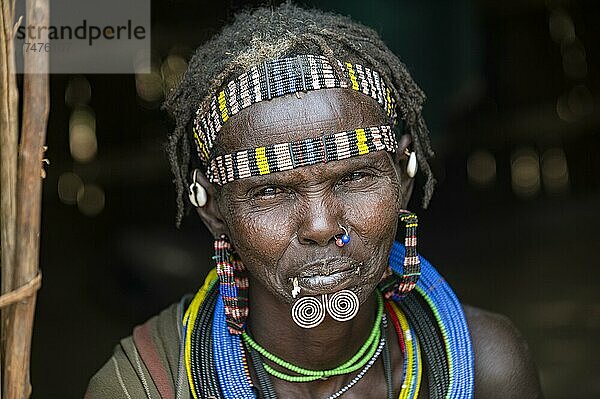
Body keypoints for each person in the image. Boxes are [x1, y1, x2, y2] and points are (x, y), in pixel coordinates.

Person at [86, 3, 542, 398]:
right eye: (269, 191)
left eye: (355, 178)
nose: (322, 225)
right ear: (211, 208)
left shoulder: (489, 369)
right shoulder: (145, 386)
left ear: (404, 176)